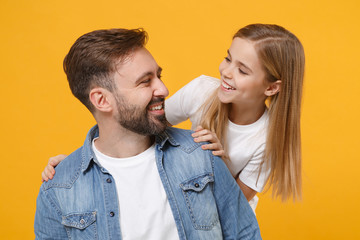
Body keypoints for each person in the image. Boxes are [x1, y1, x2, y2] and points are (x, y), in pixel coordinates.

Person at [42, 24, 305, 211]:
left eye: (243, 70)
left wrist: (216, 160)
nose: (226, 71)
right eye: (228, 58)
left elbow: (233, 202)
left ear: (271, 87)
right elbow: (138, 124)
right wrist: (86, 165)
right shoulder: (202, 91)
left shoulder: (269, 139)